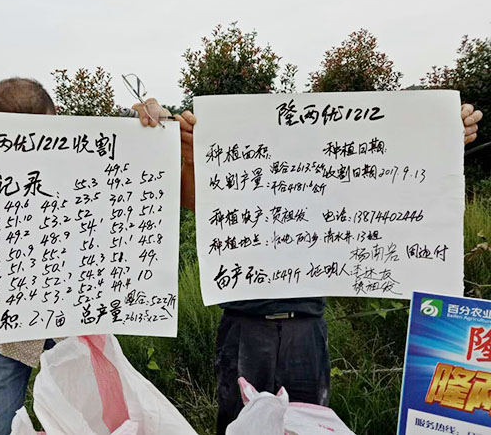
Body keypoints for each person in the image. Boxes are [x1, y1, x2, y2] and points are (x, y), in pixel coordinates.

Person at [0, 76, 195, 435]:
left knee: (96, 424)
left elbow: (147, 170)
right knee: (0, 429)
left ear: (57, 121)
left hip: (77, 320)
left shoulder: (85, 155)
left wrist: (159, 127)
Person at [170, 103, 482, 435]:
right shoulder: (241, 173)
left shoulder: (329, 179)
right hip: (244, 326)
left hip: (306, 328)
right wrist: (191, 157)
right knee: (240, 425)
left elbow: (390, 182)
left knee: (310, 425)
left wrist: (443, 138)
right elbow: (193, 201)